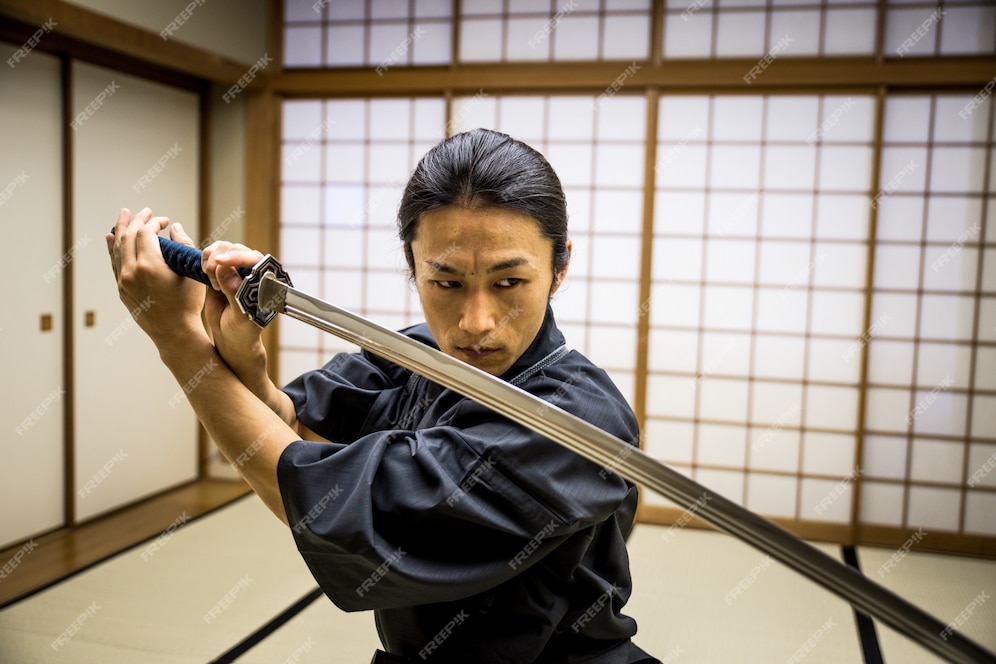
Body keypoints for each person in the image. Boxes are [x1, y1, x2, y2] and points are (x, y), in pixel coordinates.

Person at [107, 128, 657, 663]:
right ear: (412, 265)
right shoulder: (411, 355)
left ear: (559, 268)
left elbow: (314, 497)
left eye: (508, 282)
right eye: (446, 283)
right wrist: (242, 358)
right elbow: (293, 433)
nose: (475, 322)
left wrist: (178, 339)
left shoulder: (579, 420)